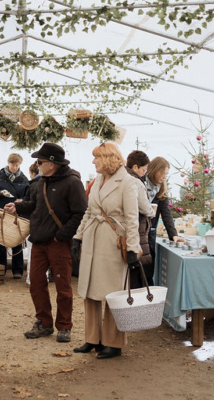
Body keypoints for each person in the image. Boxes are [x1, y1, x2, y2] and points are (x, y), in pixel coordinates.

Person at [4, 143, 87, 343]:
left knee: (63, 286)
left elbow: (80, 213)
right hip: (39, 242)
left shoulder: (72, 182)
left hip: (59, 243)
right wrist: (17, 207)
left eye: (40, 162)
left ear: (52, 163)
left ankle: (64, 326)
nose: (37, 165)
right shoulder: (38, 183)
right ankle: (44, 322)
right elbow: (34, 205)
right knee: (36, 283)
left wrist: (61, 236)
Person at [73, 143, 143, 359]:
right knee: (90, 291)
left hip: (113, 244)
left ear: (108, 158)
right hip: (92, 240)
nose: (93, 161)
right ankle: (93, 338)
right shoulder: (97, 180)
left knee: (114, 293)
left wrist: (132, 248)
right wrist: (78, 236)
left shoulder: (128, 182)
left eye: (97, 157)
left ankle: (114, 343)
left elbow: (132, 219)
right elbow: (89, 211)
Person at [0, 153, 30, 278]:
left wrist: (22, 200)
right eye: (13, 164)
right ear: (8, 163)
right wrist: (0, 192)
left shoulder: (24, 179)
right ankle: (0, 270)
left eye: (17, 165)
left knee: (17, 240)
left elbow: (29, 196)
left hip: (17, 214)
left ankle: (18, 271)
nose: (15, 167)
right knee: (1, 241)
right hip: (2, 213)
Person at [144, 157, 186, 282]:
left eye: (166, 174)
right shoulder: (140, 184)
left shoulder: (161, 189)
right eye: (162, 173)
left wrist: (173, 235)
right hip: (137, 232)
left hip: (150, 234)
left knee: (148, 270)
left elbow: (166, 214)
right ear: (153, 170)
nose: (164, 176)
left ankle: (147, 292)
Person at [124, 151, 156, 288]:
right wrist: (152, 212)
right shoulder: (135, 181)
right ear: (135, 167)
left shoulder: (122, 177)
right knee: (140, 268)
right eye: (143, 169)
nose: (144, 173)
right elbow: (144, 207)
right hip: (138, 228)